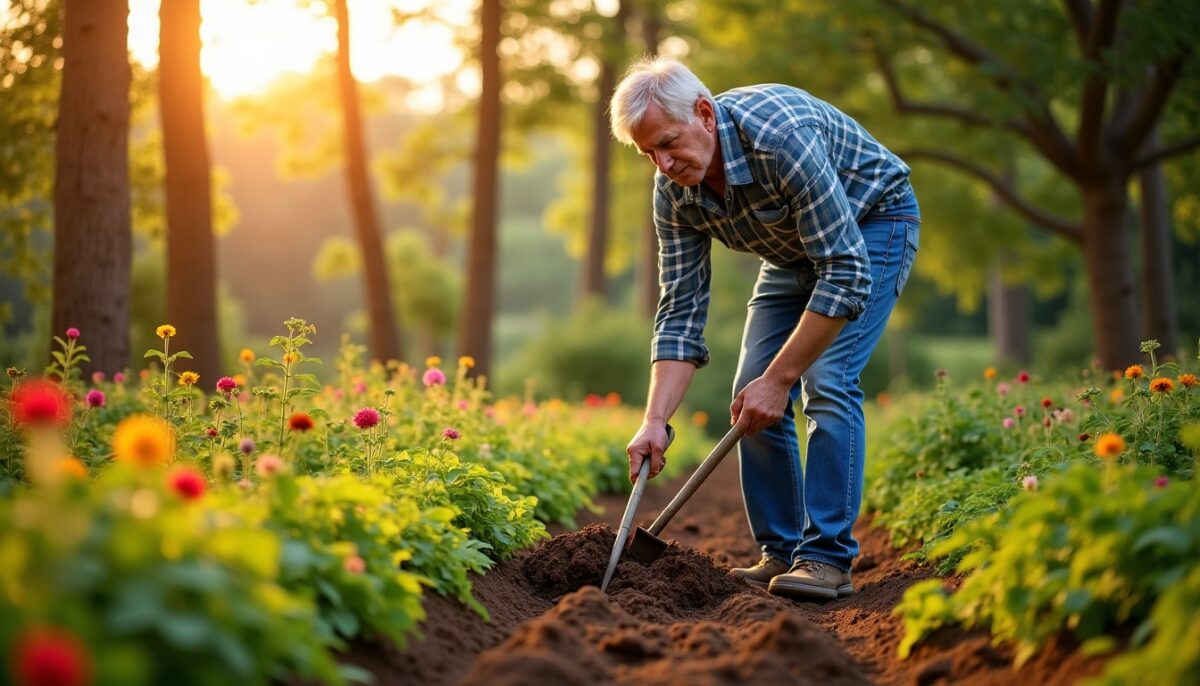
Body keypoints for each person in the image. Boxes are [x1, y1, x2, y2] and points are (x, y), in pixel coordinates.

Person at [612, 57, 919, 601]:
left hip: (872, 224)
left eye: (667, 143)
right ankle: (780, 551)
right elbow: (681, 310)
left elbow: (844, 270)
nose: (662, 164)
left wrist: (782, 380)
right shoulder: (673, 194)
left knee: (826, 378)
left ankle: (826, 559)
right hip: (791, 251)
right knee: (748, 392)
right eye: (648, 154)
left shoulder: (780, 139)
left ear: (704, 113)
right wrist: (654, 422)